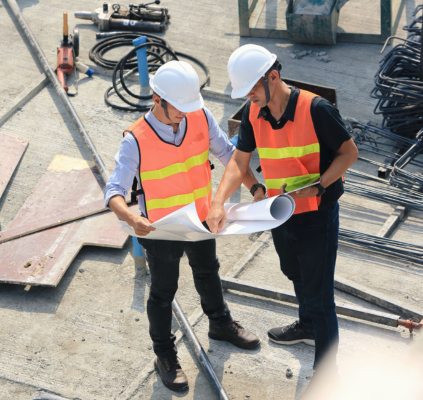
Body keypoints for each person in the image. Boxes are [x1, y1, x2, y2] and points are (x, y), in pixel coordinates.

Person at [105, 60, 261, 392]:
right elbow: (114, 192)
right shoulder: (135, 140)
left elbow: (229, 156)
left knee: (208, 271)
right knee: (163, 292)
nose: (184, 113)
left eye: (190, 106)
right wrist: (132, 218)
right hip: (161, 229)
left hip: (202, 218)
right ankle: (164, 354)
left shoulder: (200, 117)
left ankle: (220, 324)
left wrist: (256, 187)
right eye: (179, 105)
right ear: (157, 98)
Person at [206, 44, 358, 373]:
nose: (249, 99)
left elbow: (349, 153)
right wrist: (220, 201)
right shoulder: (253, 113)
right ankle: (307, 327)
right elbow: (238, 163)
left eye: (251, 91)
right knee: (295, 274)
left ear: (272, 77)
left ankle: (326, 377)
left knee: (320, 297)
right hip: (280, 212)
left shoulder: (316, 109)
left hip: (317, 216)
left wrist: (321, 184)